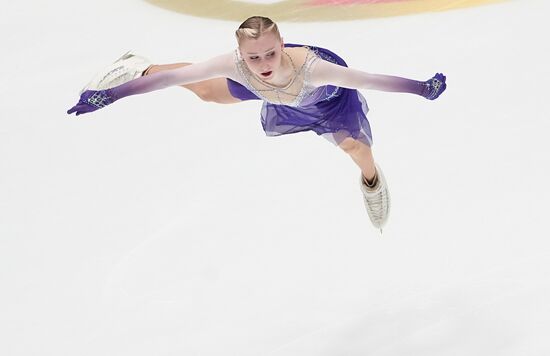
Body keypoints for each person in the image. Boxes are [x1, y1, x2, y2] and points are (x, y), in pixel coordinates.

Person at [67, 16, 446, 232]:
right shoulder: (236, 64)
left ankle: (372, 183)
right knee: (205, 91)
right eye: (253, 56)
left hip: (327, 104)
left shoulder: (315, 69)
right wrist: (112, 95)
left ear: (282, 44)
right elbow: (173, 80)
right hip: (270, 93)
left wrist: (421, 88)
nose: (263, 61)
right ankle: (137, 63)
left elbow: (368, 80)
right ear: (239, 54)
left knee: (357, 150)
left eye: (270, 52)